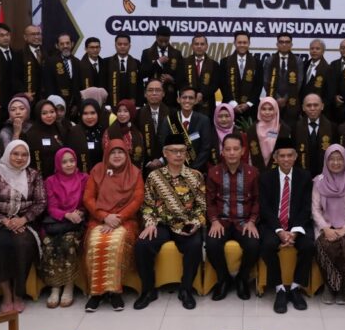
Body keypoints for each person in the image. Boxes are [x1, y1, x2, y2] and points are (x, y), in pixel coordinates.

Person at [134, 134, 206, 310]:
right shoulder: (154, 177)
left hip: (186, 223)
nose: (179, 155)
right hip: (161, 223)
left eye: (182, 151)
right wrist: (150, 223)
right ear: (165, 153)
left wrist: (195, 223)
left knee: (195, 245)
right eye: (174, 151)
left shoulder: (195, 176)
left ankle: (186, 290)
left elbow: (202, 206)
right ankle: (148, 290)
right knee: (142, 245)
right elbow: (147, 205)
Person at [0, 140, 47, 313]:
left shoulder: (33, 175)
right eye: (15, 154)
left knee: (22, 244)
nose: (19, 158)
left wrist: (24, 219)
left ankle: (18, 294)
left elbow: (41, 202)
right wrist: (3, 220)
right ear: (8, 154)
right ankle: (7, 295)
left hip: (25, 223)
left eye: (24, 155)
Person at [83, 139, 144, 312]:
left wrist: (118, 218)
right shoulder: (97, 170)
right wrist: (104, 217)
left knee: (115, 243)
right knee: (96, 242)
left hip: (125, 220)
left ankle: (114, 292)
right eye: (113, 152)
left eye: (121, 152)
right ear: (106, 155)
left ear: (126, 154)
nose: (117, 156)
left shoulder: (135, 172)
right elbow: (88, 198)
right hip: (99, 219)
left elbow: (137, 199)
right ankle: (96, 294)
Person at [259, 137, 315, 314]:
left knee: (308, 246)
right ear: (275, 158)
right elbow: (265, 208)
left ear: (295, 157)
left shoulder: (304, 177)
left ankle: (296, 287)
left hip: (297, 225)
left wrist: (294, 232)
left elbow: (306, 207)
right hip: (274, 225)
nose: (286, 159)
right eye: (282, 156)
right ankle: (280, 289)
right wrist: (279, 231)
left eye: (289, 155)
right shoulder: (266, 178)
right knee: (267, 245)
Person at [205, 133, 261, 300]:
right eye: (228, 149)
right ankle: (224, 279)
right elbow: (209, 201)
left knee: (254, 245)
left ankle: (242, 279)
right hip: (221, 221)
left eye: (235, 149)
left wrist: (252, 221)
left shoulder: (253, 172)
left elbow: (258, 200)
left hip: (244, 222)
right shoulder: (214, 172)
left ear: (242, 151)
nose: (231, 153)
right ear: (222, 151)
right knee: (212, 244)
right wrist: (214, 221)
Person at [311, 144, 345, 304]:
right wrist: (325, 228)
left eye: (339, 159)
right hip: (325, 224)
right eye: (332, 159)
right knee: (324, 245)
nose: (335, 163)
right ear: (326, 161)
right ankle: (330, 287)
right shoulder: (319, 180)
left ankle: (343, 289)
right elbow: (315, 209)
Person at [37, 147, 87, 309]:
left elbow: (87, 202)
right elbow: (51, 207)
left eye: (72, 161)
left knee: (68, 243)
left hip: (77, 223)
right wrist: (66, 214)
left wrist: (80, 213)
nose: (69, 164)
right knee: (49, 244)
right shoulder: (50, 181)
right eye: (64, 162)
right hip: (57, 223)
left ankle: (68, 285)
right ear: (58, 163)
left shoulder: (84, 178)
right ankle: (55, 286)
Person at [158, 86, 214, 171]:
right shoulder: (169, 120)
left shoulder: (204, 120)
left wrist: (192, 169)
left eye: (191, 98)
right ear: (178, 100)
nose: (187, 100)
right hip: (173, 169)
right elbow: (164, 145)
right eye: (184, 97)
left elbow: (206, 148)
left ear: (196, 101)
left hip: (196, 170)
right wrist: (175, 166)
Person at [220, 30, 262, 122]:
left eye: (245, 42)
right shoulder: (225, 62)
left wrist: (248, 104)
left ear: (249, 43)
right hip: (229, 108)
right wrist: (233, 104)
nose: (242, 45)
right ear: (234, 43)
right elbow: (223, 85)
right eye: (239, 42)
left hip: (251, 109)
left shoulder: (257, 62)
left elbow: (258, 85)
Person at [294, 92, 336, 177]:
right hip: (302, 174)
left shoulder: (332, 127)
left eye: (316, 105)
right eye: (308, 105)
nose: (312, 108)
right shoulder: (295, 128)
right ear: (303, 107)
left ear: (322, 106)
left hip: (326, 175)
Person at [264, 33, 302, 125]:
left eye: (287, 42)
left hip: (291, 101)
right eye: (281, 42)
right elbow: (266, 81)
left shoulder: (298, 61)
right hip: (273, 100)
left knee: (291, 127)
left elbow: (299, 82)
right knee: (273, 128)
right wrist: (277, 98)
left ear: (291, 44)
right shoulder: (269, 60)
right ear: (277, 44)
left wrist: (285, 98)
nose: (284, 44)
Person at [140, 24, 183, 104]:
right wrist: (158, 62)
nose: (163, 44)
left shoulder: (176, 54)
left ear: (169, 38)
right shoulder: (147, 53)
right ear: (156, 37)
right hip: (153, 95)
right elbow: (142, 73)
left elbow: (181, 76)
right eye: (161, 41)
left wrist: (172, 79)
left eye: (166, 41)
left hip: (170, 97)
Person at [178, 34, 219, 117]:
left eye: (202, 44)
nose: (199, 46)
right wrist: (192, 94)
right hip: (188, 102)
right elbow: (180, 82)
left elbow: (215, 84)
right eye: (196, 44)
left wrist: (202, 94)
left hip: (207, 105)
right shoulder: (184, 62)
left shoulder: (214, 64)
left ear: (206, 46)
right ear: (192, 46)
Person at [247, 97, 290, 173]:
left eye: (270, 109)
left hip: (278, 170)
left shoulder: (284, 129)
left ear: (276, 110)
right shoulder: (252, 129)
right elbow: (249, 153)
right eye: (263, 109)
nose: (267, 112)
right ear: (259, 110)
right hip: (256, 169)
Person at [45, 32, 84, 112]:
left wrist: (77, 104)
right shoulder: (50, 62)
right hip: (57, 106)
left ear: (72, 44)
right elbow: (49, 86)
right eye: (62, 44)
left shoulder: (77, 62)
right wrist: (55, 104)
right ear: (57, 46)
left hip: (74, 107)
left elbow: (79, 85)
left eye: (67, 43)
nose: (65, 46)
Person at [138, 79, 172, 170]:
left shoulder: (172, 114)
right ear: (145, 94)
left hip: (168, 163)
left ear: (163, 93)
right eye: (150, 90)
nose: (154, 93)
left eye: (157, 90)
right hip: (145, 165)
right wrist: (147, 161)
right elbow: (136, 141)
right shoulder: (138, 115)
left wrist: (162, 160)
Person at [66, 98, 106, 174]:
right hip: (79, 177)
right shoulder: (74, 132)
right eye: (85, 113)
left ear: (98, 113)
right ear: (81, 114)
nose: (89, 117)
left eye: (92, 113)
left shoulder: (104, 132)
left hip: (101, 176)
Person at [105, 34, 144, 108]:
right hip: (111, 104)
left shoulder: (136, 63)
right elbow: (104, 85)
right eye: (119, 44)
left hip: (132, 104)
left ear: (130, 46)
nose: (122, 46)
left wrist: (139, 104)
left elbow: (140, 87)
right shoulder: (106, 62)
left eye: (125, 44)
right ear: (115, 45)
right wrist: (107, 105)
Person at [103, 99, 145, 166]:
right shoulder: (109, 131)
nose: (122, 114)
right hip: (114, 168)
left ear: (131, 113)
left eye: (126, 111)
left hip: (132, 169)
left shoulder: (136, 133)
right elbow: (106, 152)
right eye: (119, 111)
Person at [16, 23, 46, 103]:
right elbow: (16, 78)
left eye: (38, 34)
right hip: (28, 97)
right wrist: (23, 93)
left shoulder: (48, 52)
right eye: (33, 34)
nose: (37, 37)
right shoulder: (19, 55)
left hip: (45, 97)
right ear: (25, 37)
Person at [301, 38, 334, 105]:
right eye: (312, 48)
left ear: (323, 51)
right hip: (303, 106)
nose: (314, 51)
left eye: (317, 49)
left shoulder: (328, 69)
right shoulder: (304, 65)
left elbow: (329, 94)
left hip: (318, 107)